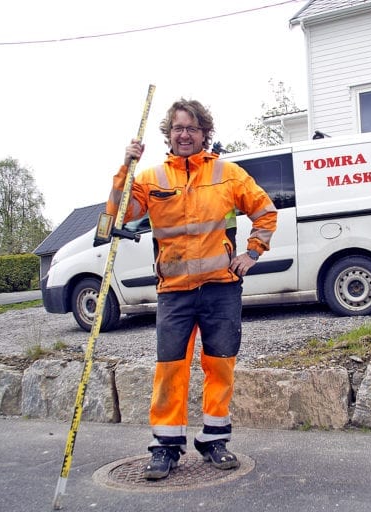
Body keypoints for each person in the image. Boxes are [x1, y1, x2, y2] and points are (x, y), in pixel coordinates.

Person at [105, 98, 277, 480]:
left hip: (221, 289)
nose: (185, 134)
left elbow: (265, 212)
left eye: (193, 128)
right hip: (175, 292)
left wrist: (251, 253)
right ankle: (165, 447)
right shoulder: (150, 179)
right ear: (169, 133)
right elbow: (115, 216)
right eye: (179, 128)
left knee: (220, 367)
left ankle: (215, 440)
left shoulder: (228, 174)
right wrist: (125, 168)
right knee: (170, 369)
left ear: (204, 134)